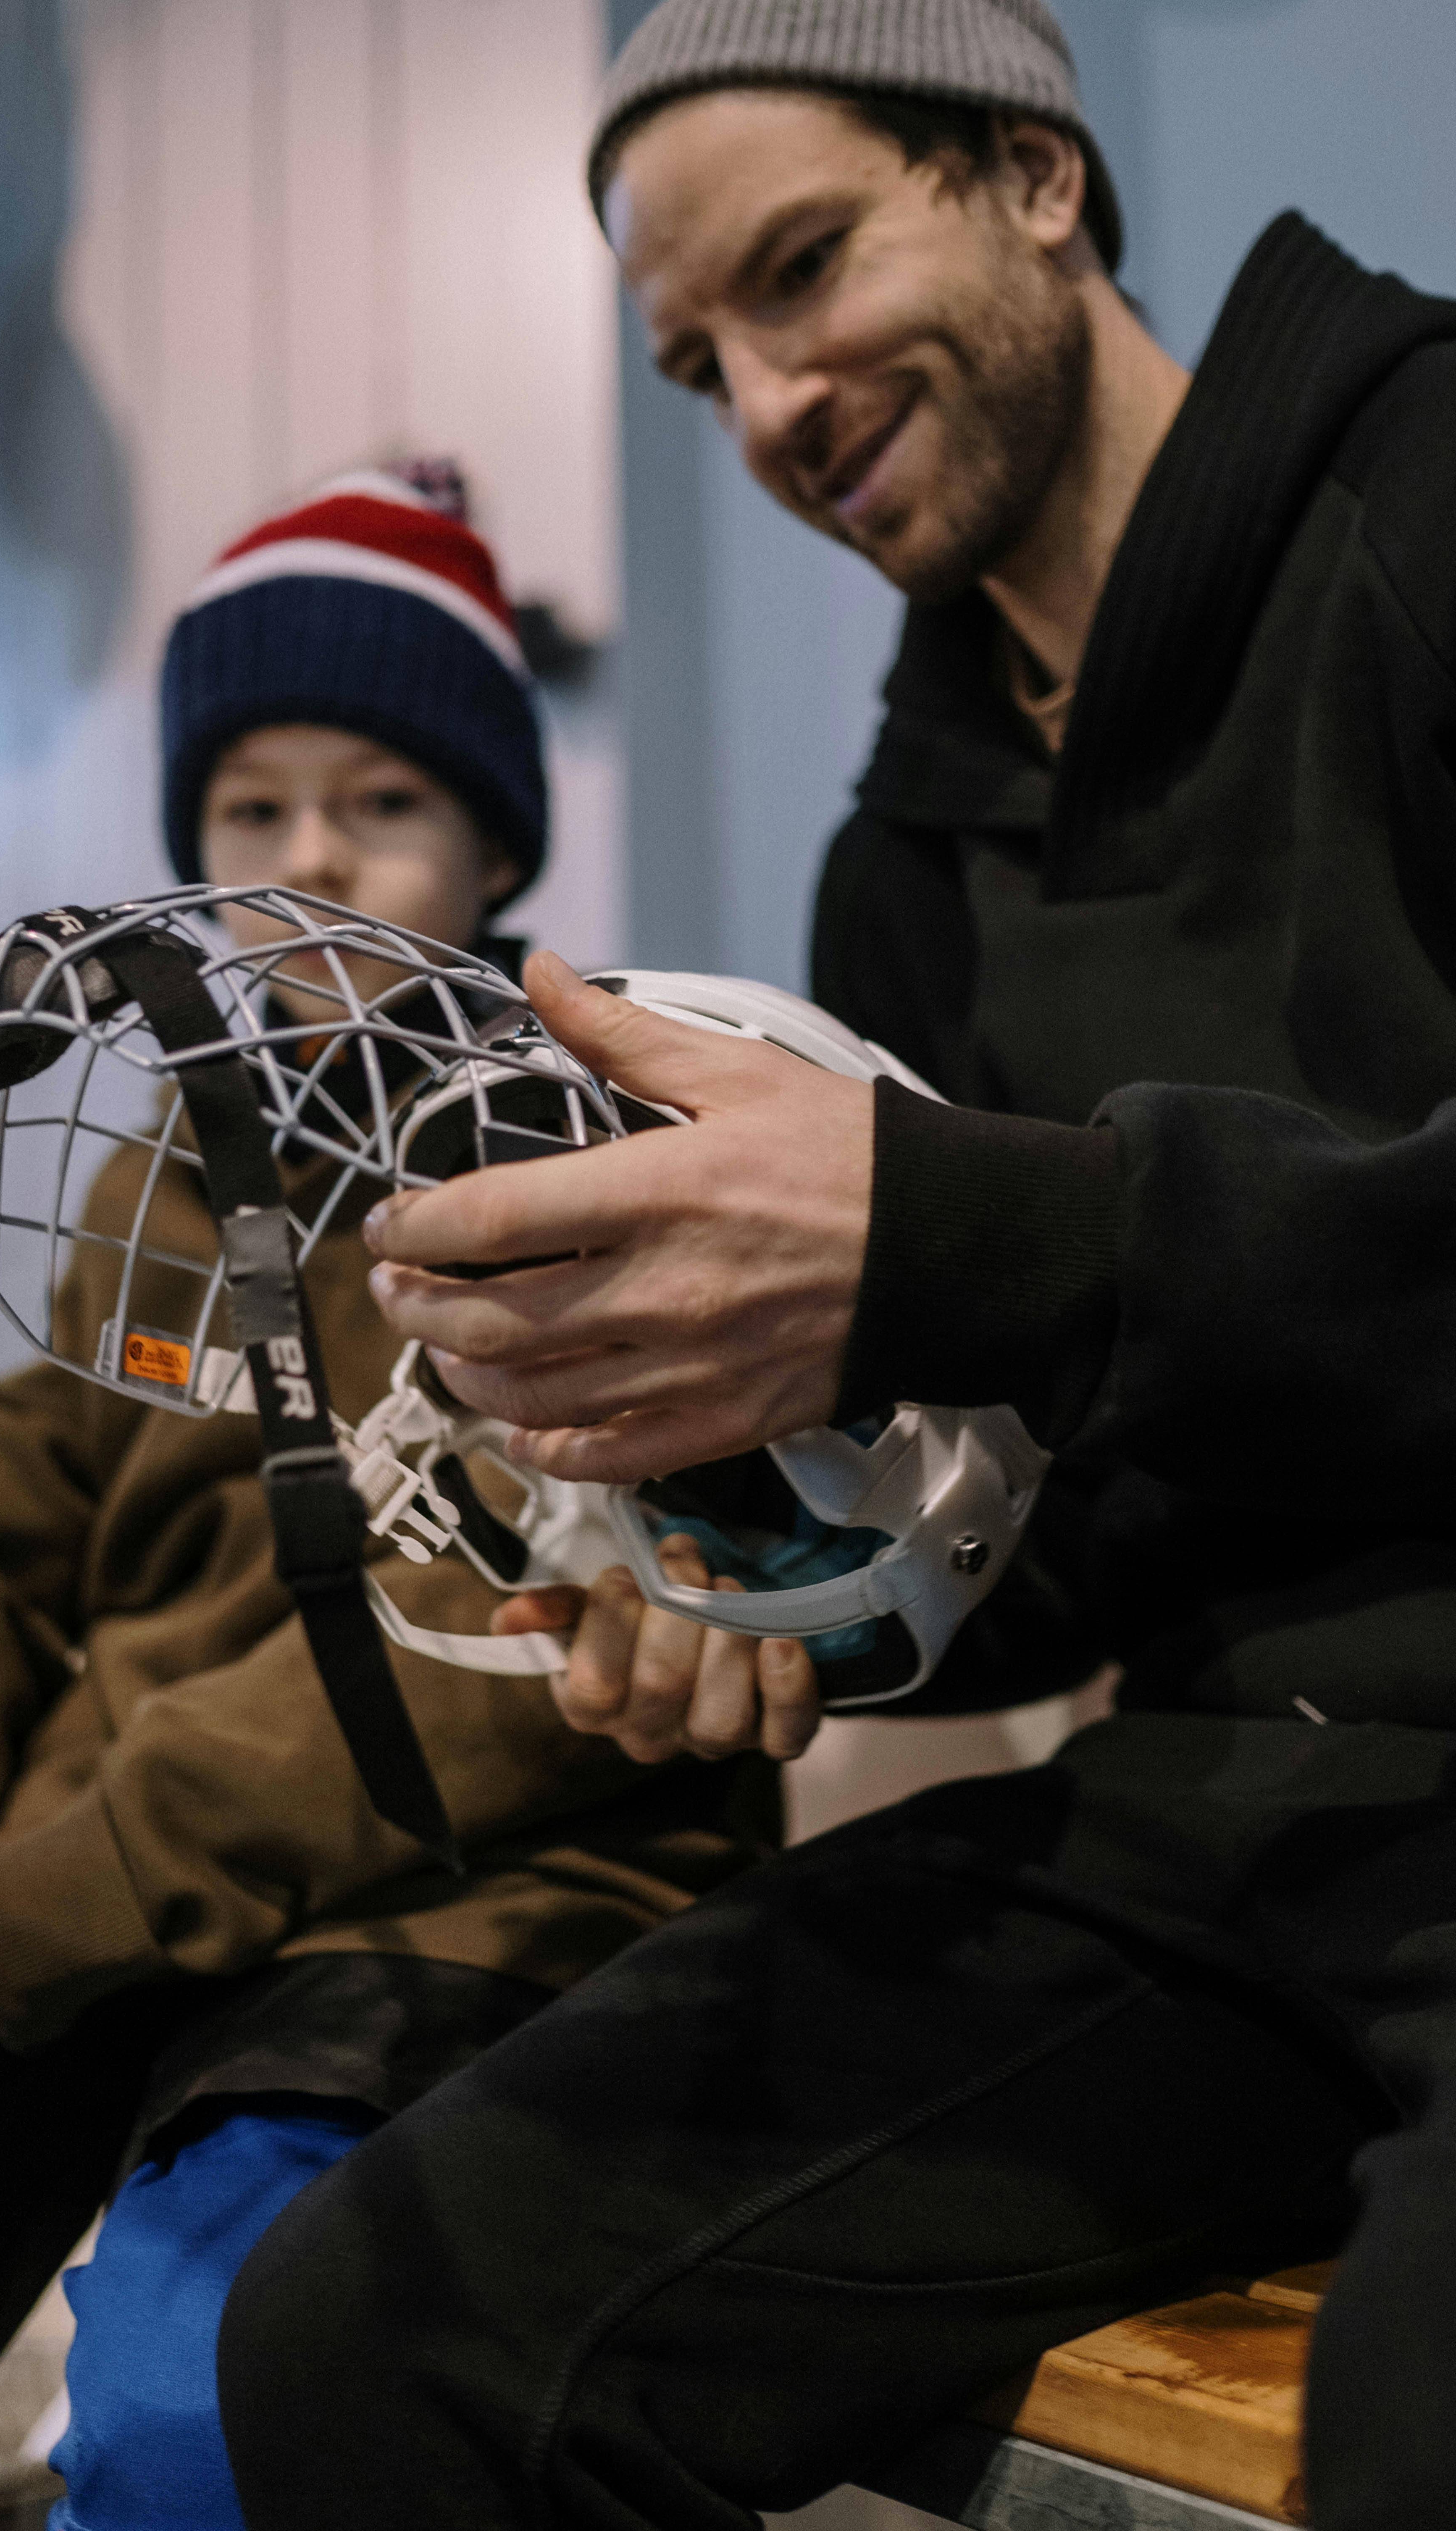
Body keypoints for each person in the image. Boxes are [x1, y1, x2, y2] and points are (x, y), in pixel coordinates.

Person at [215, 11, 1456, 2531]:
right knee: (377, 2324)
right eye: (699, 367)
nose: (767, 401)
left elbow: (1050, 1272)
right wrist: (771, 1591)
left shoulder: (1426, 498)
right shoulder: (903, 857)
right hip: (1219, 1835)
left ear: (1028, 176)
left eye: (802, 270)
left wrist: (962, 1229)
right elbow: (1059, 1537)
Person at [0, 466, 799, 2531]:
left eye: (381, 800)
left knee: (204, 2412)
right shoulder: (145, 1168)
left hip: (451, 1918)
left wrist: (5, 1921)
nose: (311, 851)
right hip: (100, 1922)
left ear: (497, 835)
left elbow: (497, 1658)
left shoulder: (604, 1150)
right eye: (251, 807)